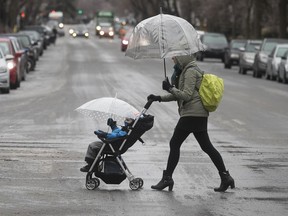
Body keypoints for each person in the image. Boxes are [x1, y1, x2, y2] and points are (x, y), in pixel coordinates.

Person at [147, 54, 235, 192]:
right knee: (206, 147)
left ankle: (167, 178)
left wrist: (170, 88)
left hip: (192, 113)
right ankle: (225, 177)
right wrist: (159, 98)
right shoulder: (185, 71)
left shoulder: (190, 71)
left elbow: (186, 95)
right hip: (197, 114)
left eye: (175, 57)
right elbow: (180, 94)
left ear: (182, 57)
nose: (173, 59)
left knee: (175, 143)